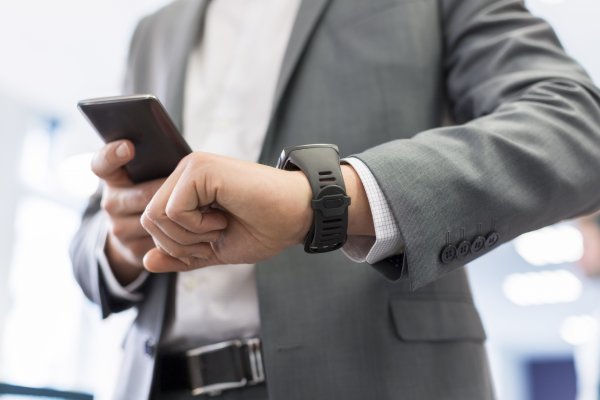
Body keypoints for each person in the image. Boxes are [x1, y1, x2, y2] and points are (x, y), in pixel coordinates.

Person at [70, 0, 600, 399]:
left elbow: (576, 128)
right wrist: (119, 242)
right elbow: (94, 226)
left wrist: (323, 200)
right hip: (153, 382)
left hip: (373, 378)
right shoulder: (152, 32)